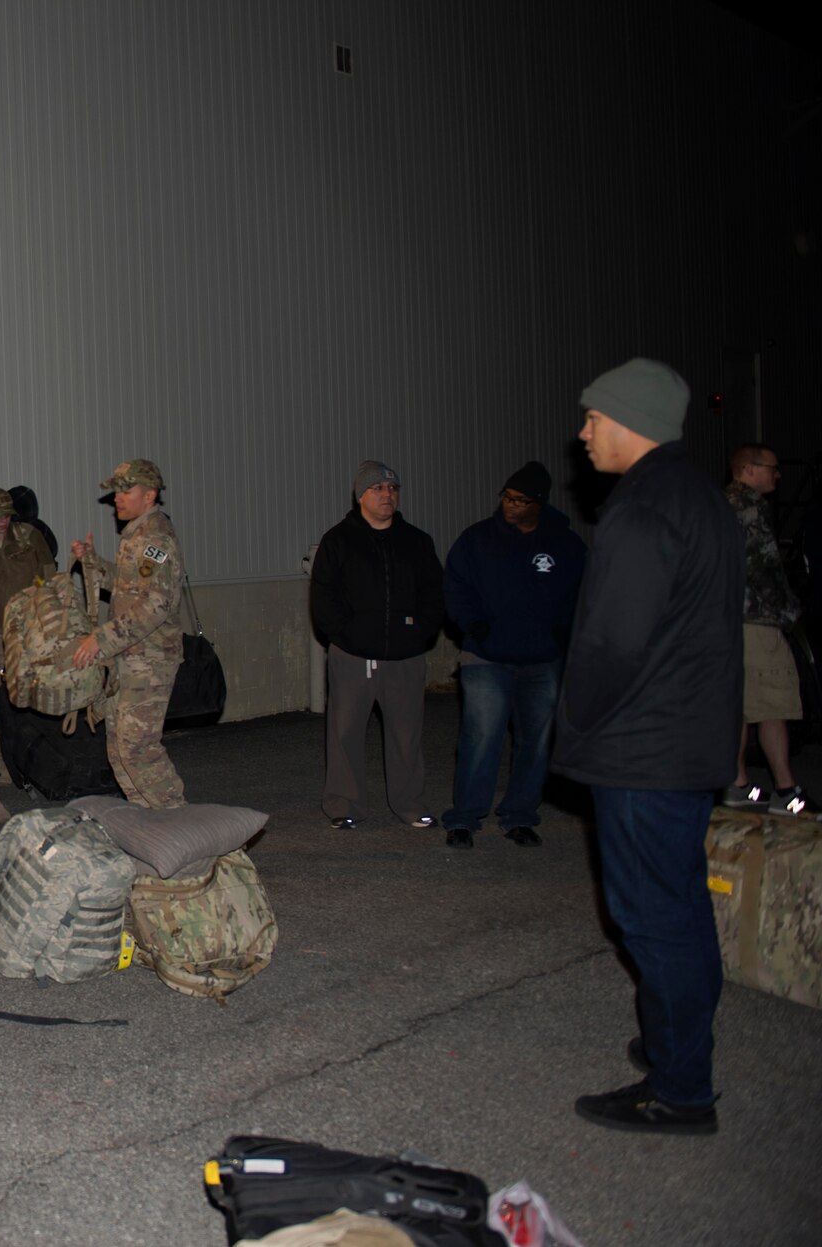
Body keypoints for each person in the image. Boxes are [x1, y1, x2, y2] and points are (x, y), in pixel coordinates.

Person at [555, 357, 740, 1135]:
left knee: (653, 918)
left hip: (643, 750)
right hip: (689, 742)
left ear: (628, 421)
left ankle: (680, 1090)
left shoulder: (640, 511)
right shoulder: (700, 497)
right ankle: (675, 1041)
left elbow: (611, 643)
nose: (583, 432)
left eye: (592, 418)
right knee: (683, 910)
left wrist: (577, 721)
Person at [439, 461, 587, 848]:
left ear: (539, 502)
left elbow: (584, 593)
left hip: (542, 657)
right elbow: (455, 584)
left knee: (536, 739)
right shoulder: (478, 539)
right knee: (481, 735)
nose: (510, 505)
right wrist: (473, 624)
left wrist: (563, 630)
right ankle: (465, 818)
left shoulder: (565, 545)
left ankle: (520, 814)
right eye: (506, 497)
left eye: (520, 500)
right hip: (487, 655)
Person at [310, 460, 444, 829]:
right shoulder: (339, 541)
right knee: (345, 732)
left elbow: (433, 594)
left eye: (393, 489)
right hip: (353, 656)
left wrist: (420, 634)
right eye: (378, 489)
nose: (387, 495)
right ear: (360, 496)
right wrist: (349, 637)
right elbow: (325, 599)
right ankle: (344, 805)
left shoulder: (416, 542)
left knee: (406, 734)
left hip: (405, 657)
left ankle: (409, 803)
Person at [71, 459, 191, 810]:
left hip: (149, 659)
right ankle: (151, 829)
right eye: (115, 491)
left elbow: (155, 605)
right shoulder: (136, 534)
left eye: (126, 491)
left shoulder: (156, 537)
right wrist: (93, 562)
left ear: (150, 494)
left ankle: (180, 822)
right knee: (120, 749)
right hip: (127, 657)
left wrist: (101, 639)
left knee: (138, 748)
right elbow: (127, 587)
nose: (117, 499)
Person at [724, 443, 806, 812]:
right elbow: (764, 568)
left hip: (725, 621)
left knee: (739, 703)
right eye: (772, 467)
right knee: (773, 703)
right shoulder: (750, 507)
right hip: (756, 621)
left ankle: (737, 784)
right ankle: (786, 791)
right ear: (749, 469)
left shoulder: (719, 503)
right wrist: (789, 612)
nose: (778, 473)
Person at [0, 486, 56, 680]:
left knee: (37, 680)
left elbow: (49, 575)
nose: (4, 520)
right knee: (2, 680)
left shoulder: (28, 536)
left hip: (31, 622)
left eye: (7, 515)